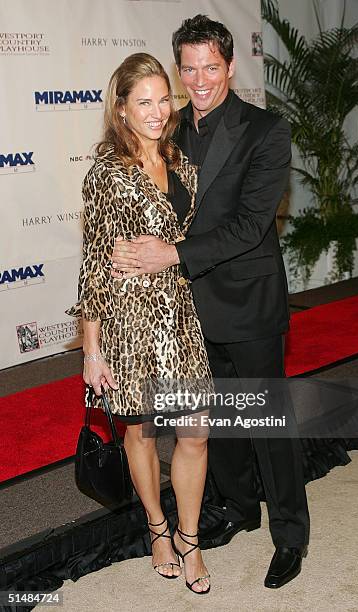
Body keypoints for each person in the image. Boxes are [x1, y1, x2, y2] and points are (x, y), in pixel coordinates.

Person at [110, 16, 310, 588]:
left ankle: (290, 534)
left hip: (246, 302)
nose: (199, 80)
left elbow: (251, 226)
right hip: (187, 310)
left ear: (230, 65)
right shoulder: (164, 131)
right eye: (189, 68)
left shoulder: (266, 129)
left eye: (211, 67)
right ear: (179, 69)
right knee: (212, 425)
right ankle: (239, 509)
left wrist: (172, 253)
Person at [66, 52, 212, 595]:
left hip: (179, 312)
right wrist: (92, 350)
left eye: (162, 99)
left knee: (194, 431)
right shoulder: (107, 174)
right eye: (142, 102)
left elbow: (192, 237)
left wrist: (174, 249)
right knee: (141, 432)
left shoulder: (183, 163)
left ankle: (190, 537)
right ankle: (156, 527)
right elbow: (94, 263)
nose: (155, 111)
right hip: (128, 320)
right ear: (122, 109)